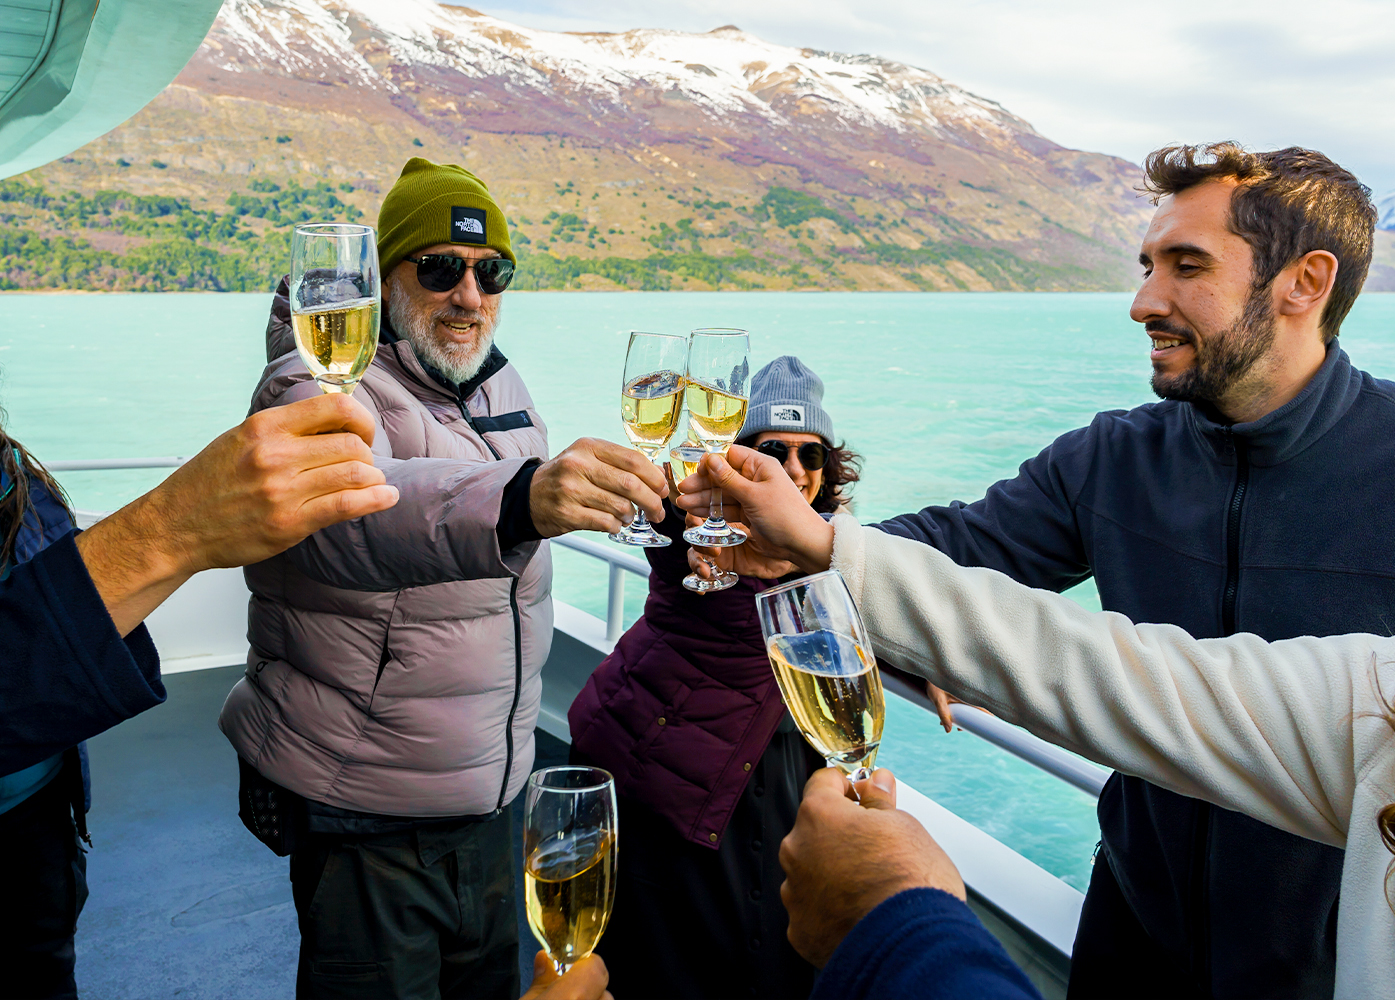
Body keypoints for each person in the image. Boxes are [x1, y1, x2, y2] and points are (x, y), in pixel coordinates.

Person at [726, 141, 1395, 998]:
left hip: (1342, 968)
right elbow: (948, 550)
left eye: (1188, 266)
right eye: (1148, 264)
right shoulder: (1112, 458)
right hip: (1130, 940)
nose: (1146, 301)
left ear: (1305, 282)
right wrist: (829, 572)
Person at [689, 357, 1395, 1000]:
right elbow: (1108, 670)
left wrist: (898, 927)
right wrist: (832, 554)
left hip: (1298, 960)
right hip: (1132, 923)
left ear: (1304, 281)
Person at [218, 157, 666, 1000]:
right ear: (383, 280)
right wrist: (524, 498)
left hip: (492, 794)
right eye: (439, 268)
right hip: (368, 804)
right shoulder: (309, 383)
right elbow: (353, 519)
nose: (469, 294)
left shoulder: (498, 384)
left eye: (490, 271)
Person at [0, 391, 398, 1000]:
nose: (472, 295)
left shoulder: (12, 472)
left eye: (494, 283)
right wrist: (173, 526)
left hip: (42, 809)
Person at [565, 356, 862, 1000]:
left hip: (772, 778)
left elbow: (857, 609)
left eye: (811, 455)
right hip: (669, 779)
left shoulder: (830, 547)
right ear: (737, 458)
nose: (794, 469)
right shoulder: (698, 526)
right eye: (772, 449)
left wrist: (922, 659)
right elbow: (664, 513)